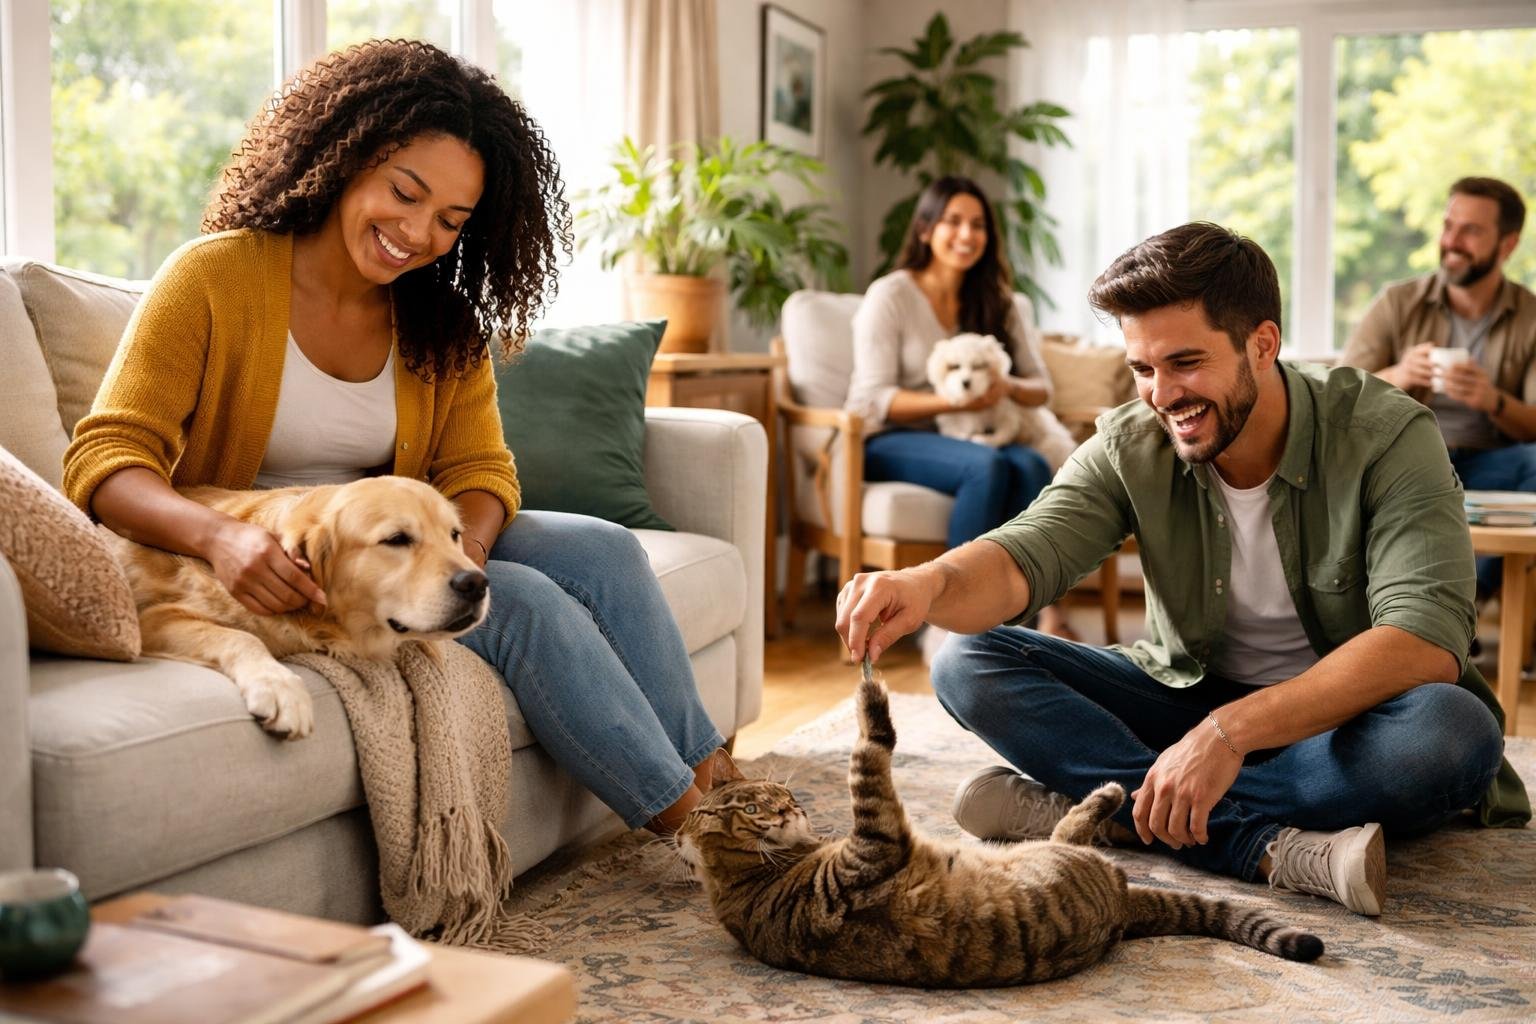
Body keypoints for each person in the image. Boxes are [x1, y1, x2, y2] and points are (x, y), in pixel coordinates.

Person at [62, 39, 729, 837]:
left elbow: (482, 470)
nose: (416, 233)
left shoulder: (440, 322)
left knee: (606, 551)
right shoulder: (213, 280)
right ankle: (705, 839)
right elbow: (105, 459)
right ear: (347, 157)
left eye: (451, 220)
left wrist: (464, 554)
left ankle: (722, 784)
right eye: (403, 193)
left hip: (413, 536)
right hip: (304, 554)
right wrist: (221, 540)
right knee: (530, 606)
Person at [836, 222, 1529, 917]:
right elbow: (1024, 552)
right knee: (969, 659)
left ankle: (1107, 807)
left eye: (1186, 363)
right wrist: (924, 585)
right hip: (1183, 697)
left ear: (1262, 345)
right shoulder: (1134, 441)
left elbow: (1424, 642)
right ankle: (1257, 843)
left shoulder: (1387, 434)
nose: (1163, 394)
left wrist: (1227, 735)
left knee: (1450, 733)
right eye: (1144, 369)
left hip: (1341, 726)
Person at [844, 175, 1076, 642]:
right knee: (986, 466)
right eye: (953, 221)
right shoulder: (891, 295)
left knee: (1031, 465)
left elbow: (1041, 389)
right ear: (926, 229)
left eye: (978, 225)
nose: (966, 235)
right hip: (891, 437)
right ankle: (952, 628)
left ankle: (1014, 631)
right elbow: (871, 399)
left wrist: (1003, 385)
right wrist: (954, 398)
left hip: (974, 433)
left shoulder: (1001, 302)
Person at [1340, 177, 1536, 599]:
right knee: (1350, 464)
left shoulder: (1531, 316)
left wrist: (1494, 401)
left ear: (1507, 245)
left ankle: (1462, 603)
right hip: (1409, 453)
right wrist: (1399, 374)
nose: (1452, 241)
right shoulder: (1397, 302)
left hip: (1492, 460)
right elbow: (1338, 395)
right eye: (1449, 226)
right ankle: (1443, 611)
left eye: (1471, 231)